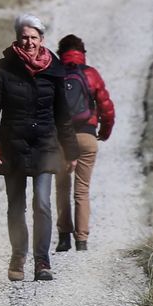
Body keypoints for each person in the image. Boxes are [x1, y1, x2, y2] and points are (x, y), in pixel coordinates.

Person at [0, 13, 69, 282]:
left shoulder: (54, 69)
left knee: (42, 203)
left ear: (42, 40)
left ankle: (42, 260)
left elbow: (63, 113)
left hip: (45, 145)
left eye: (33, 38)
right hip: (12, 146)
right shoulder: (3, 68)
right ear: (18, 39)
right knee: (16, 207)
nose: (29, 42)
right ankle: (18, 255)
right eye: (24, 38)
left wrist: (70, 150)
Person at [53, 33, 115, 253]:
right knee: (82, 190)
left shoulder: (56, 73)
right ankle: (81, 240)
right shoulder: (90, 74)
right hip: (87, 136)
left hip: (61, 138)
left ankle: (63, 237)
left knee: (61, 187)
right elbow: (106, 106)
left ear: (60, 53)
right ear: (82, 54)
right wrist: (104, 132)